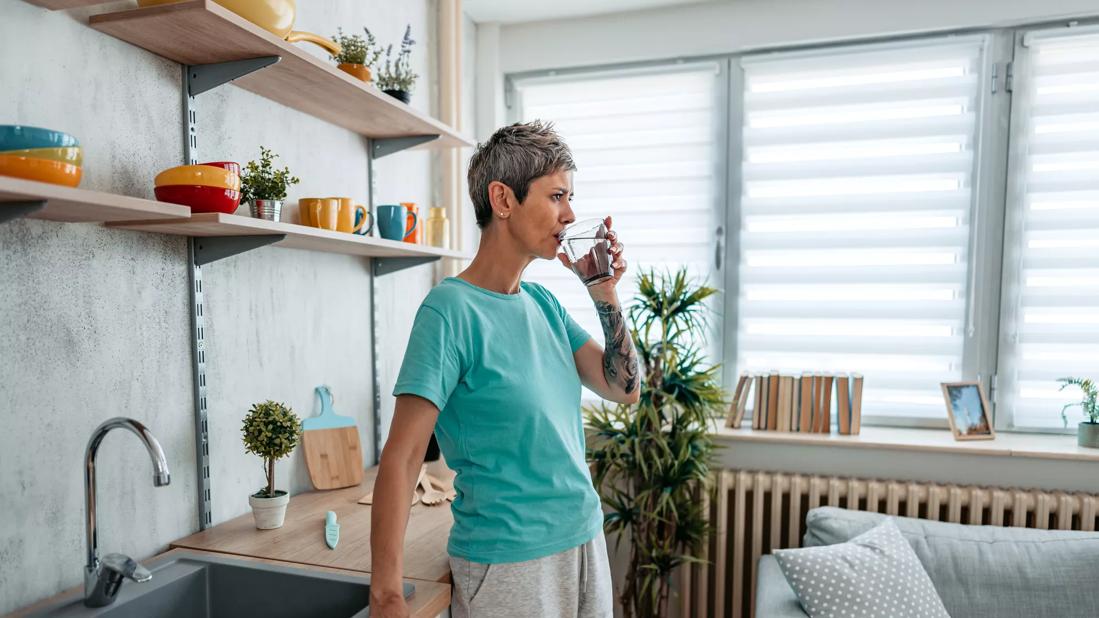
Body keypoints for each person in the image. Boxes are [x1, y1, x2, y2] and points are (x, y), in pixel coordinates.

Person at [369, 120, 639, 617]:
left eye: (570, 197)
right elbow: (403, 457)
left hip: (584, 538)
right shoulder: (449, 311)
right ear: (504, 199)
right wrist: (386, 592)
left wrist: (604, 292)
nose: (570, 213)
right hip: (509, 563)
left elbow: (623, 387)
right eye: (557, 196)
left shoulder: (545, 304)